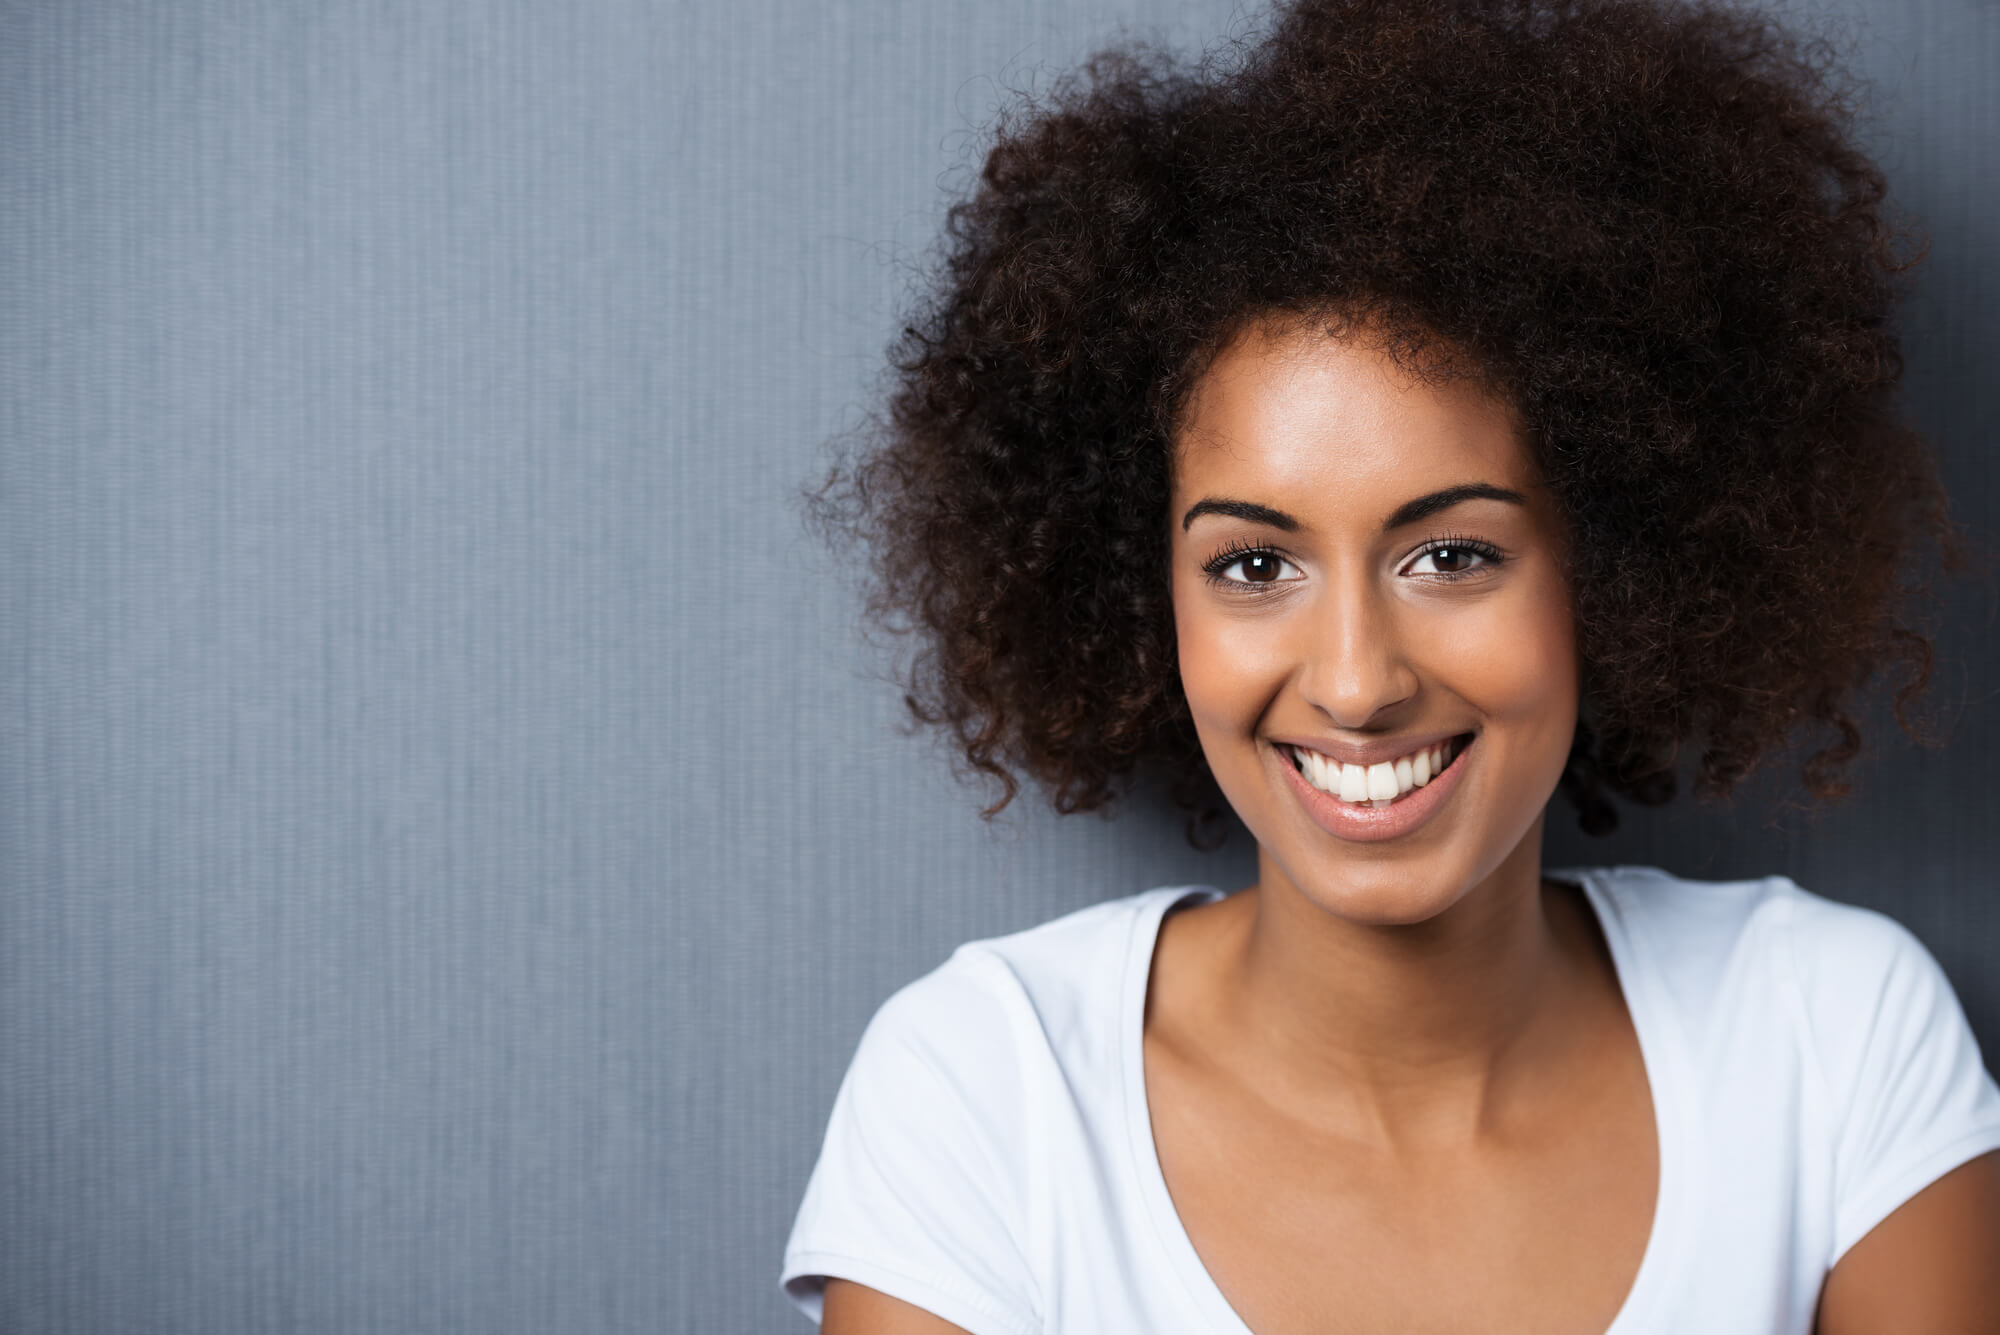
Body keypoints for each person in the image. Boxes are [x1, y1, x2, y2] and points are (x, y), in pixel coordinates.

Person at [780, 0, 2000, 1329]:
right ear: (1145, 599)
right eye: (1255, 566)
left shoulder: (1834, 1040)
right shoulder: (987, 1095)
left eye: (1453, 556)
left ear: (1615, 560)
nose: (1357, 682)